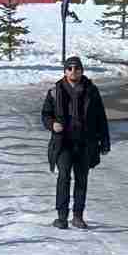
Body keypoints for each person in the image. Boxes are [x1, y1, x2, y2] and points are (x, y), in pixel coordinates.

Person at [40, 56, 110, 229]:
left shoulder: (91, 90)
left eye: (77, 69)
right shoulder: (55, 91)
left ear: (82, 71)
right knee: (64, 176)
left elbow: (101, 117)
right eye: (70, 68)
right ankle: (62, 216)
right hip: (63, 142)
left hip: (85, 142)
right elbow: (45, 114)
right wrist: (52, 124)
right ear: (65, 71)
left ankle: (78, 216)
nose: (73, 72)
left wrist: (105, 141)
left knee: (82, 179)